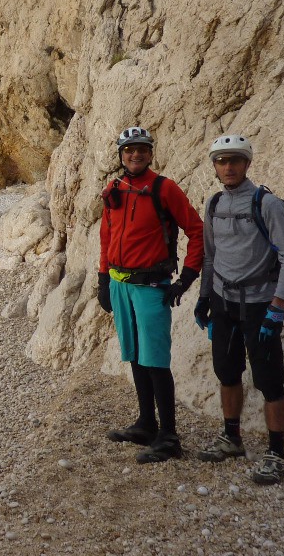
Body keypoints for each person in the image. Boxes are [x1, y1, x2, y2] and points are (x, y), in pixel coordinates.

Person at [194, 134, 284, 484]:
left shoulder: (266, 204)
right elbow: (211, 257)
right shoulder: (214, 205)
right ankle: (232, 438)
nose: (229, 167)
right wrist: (204, 298)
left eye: (235, 160)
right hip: (224, 303)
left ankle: (277, 454)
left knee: (269, 379)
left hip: (259, 305)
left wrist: (277, 308)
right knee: (227, 372)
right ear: (214, 166)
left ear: (247, 164)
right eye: (222, 161)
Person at [98, 126, 204, 463]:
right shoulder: (114, 190)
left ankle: (169, 436)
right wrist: (103, 280)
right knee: (134, 354)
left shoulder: (164, 188)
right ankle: (146, 423)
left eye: (141, 149)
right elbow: (106, 237)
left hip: (150, 285)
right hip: (120, 284)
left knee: (156, 359)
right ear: (121, 156)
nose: (135, 155)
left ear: (150, 153)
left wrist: (187, 277)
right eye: (129, 150)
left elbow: (196, 229)